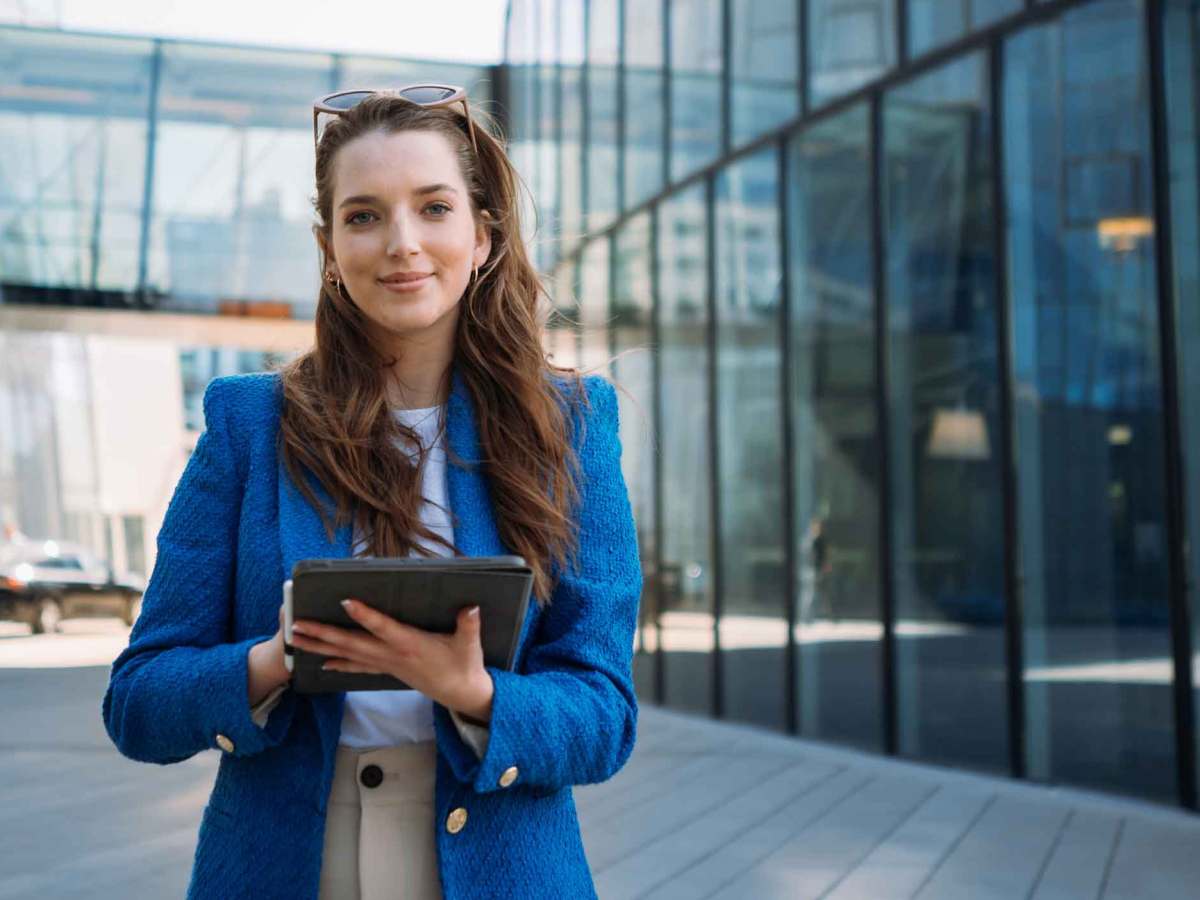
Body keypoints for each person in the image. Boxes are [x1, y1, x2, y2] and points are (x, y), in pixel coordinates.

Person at [101, 87, 641, 900]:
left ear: (482, 234)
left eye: (433, 208)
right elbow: (139, 702)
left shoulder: (572, 425)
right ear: (327, 246)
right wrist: (277, 659)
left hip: (499, 866)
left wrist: (471, 690)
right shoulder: (250, 423)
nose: (402, 244)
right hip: (289, 865)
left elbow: (605, 713)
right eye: (363, 216)